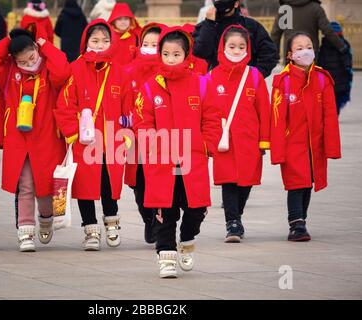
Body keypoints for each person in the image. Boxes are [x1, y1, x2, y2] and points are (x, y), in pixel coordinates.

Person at [134, 27, 215, 278]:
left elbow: (212, 119)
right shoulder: (150, 88)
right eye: (166, 54)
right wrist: (153, 144)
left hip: (192, 158)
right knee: (164, 210)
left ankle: (188, 239)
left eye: (176, 54)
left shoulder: (201, 84)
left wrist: (204, 145)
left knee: (196, 208)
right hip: (161, 160)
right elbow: (141, 121)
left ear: (186, 54)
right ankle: (166, 256)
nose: (170, 59)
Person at [0, 27, 71, 252]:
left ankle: (46, 217)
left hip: (47, 137)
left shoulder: (48, 69)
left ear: (36, 50)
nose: (29, 63)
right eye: (23, 60)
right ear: (14, 60)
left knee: (46, 188)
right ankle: (26, 232)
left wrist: (45, 44)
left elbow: (63, 70)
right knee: (26, 185)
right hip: (19, 140)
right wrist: (9, 40)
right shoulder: (10, 73)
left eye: (32, 56)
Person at [55, 19, 132, 251]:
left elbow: (129, 106)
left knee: (110, 184)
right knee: (85, 187)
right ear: (86, 42)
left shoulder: (119, 72)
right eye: (95, 40)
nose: (100, 45)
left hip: (112, 140)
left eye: (105, 40)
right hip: (85, 140)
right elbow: (65, 104)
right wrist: (71, 133)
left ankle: (111, 222)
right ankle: (90, 230)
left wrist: (127, 135)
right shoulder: (75, 69)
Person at [270, 32, 341, 241]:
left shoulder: (322, 79)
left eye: (308, 46)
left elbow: (330, 115)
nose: (305, 51)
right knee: (296, 183)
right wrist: (277, 150)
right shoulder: (283, 82)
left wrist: (332, 147)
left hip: (314, 144)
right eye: (299, 48)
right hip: (293, 143)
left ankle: (302, 220)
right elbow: (277, 119)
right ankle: (296, 223)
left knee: (308, 182)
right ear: (290, 55)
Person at [208, 25, 271, 243]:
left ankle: (238, 216)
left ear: (248, 49)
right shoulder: (212, 77)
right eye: (232, 46)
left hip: (249, 140)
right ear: (222, 47)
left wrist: (264, 141)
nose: (236, 50)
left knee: (246, 181)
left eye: (241, 46)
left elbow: (264, 110)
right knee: (228, 181)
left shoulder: (254, 76)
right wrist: (209, 140)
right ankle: (232, 223)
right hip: (223, 141)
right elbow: (206, 112)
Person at [124, 22, 164, 244]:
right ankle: (148, 218)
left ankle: (160, 224)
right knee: (138, 185)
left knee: (160, 182)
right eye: (146, 44)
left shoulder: (170, 72)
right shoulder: (129, 71)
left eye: (155, 44)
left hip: (162, 139)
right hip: (135, 140)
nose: (149, 48)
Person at [193, 0, 279, 77]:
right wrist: (209, 23)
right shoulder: (207, 25)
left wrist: (255, 76)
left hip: (244, 85)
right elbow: (200, 52)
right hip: (216, 83)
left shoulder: (251, 26)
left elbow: (270, 54)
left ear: (236, 3)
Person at [271, 0, 348, 60]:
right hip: (310, 53)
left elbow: (275, 34)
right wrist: (341, 46)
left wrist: (274, 55)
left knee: (291, 79)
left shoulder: (285, 9)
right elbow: (327, 31)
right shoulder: (315, 8)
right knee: (310, 78)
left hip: (291, 54)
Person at [318, 21, 353, 116]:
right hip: (340, 77)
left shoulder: (324, 46)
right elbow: (347, 59)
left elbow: (321, 61)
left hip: (328, 77)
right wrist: (348, 69)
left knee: (328, 97)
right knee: (337, 97)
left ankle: (330, 113)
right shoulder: (343, 44)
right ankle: (335, 113)